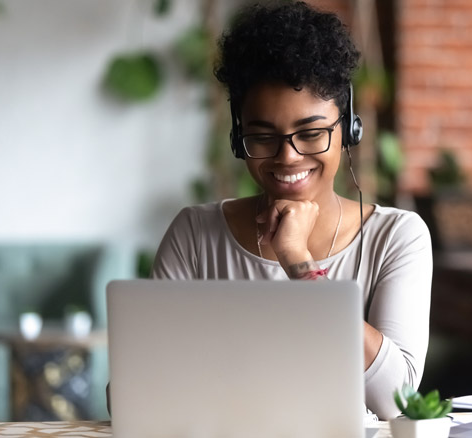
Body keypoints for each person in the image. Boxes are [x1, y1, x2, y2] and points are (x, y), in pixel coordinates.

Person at [151, 0, 432, 420]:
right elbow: (136, 393)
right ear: (237, 138)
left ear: (348, 129)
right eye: (263, 137)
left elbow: (400, 400)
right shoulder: (195, 234)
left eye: (311, 133)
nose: (287, 156)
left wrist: (299, 263)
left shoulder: (396, 237)